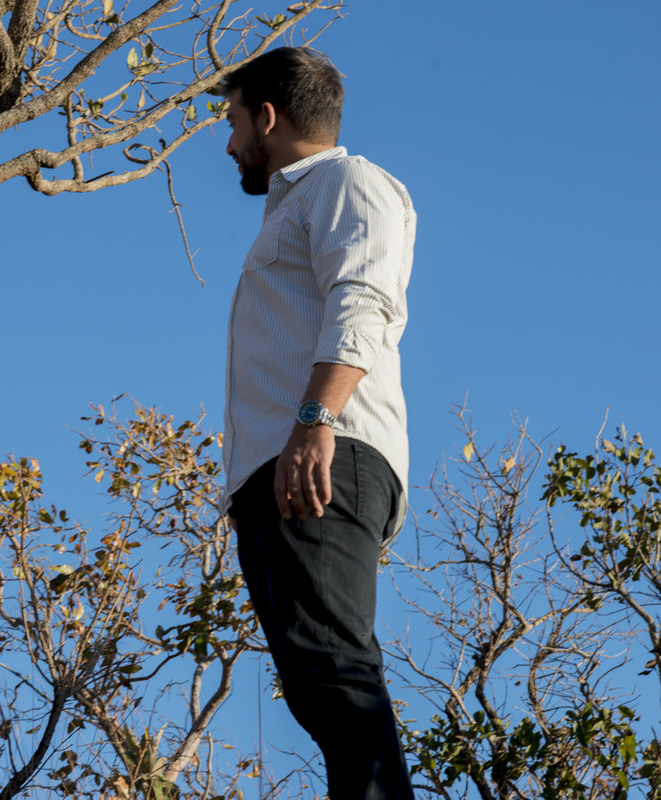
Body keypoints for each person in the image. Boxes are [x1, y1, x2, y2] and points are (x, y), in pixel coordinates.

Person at [220, 47, 417, 798]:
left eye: (233, 121)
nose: (229, 143)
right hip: (282, 472)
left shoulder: (346, 182)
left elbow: (364, 299)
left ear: (267, 116)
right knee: (315, 678)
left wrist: (313, 421)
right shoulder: (295, 209)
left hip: (323, 454)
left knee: (333, 669)